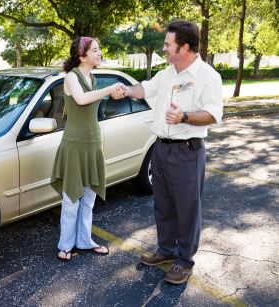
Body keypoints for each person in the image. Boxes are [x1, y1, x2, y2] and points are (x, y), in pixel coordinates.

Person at [113, 20, 223, 284]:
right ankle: (166, 251)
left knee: (187, 208)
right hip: (160, 150)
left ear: (185, 47)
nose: (164, 48)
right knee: (162, 205)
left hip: (187, 152)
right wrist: (127, 90)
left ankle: (184, 261)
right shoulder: (168, 72)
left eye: (168, 44)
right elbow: (146, 88)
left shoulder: (208, 76)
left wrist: (184, 116)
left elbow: (213, 114)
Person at [51, 36, 123, 261]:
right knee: (72, 198)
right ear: (82, 55)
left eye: (99, 49)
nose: (100, 53)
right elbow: (81, 100)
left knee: (89, 198)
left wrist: (114, 92)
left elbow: (92, 101)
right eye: (95, 50)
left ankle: (84, 241)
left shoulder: (91, 77)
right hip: (74, 145)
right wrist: (109, 89)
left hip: (93, 144)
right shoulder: (71, 77)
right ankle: (65, 245)